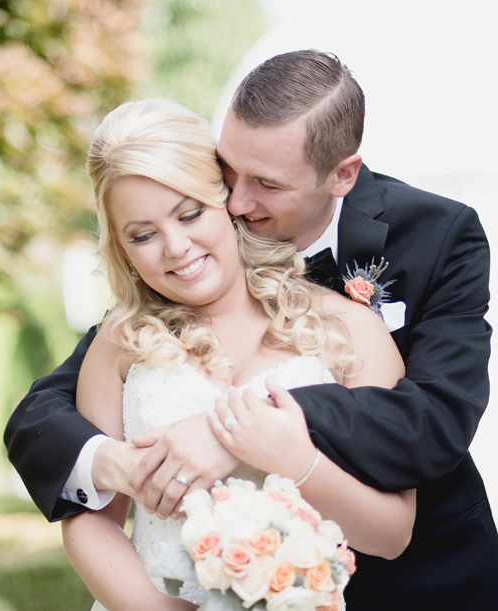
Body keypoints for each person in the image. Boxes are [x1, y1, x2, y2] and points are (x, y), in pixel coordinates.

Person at [5, 50, 498, 610]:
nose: (239, 202)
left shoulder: (423, 253)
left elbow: (435, 421)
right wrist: (109, 463)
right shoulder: (131, 331)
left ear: (342, 174)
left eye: (265, 185)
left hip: (420, 579)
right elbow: (53, 418)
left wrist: (248, 428)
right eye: (228, 175)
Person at [62, 97, 413, 610]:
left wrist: (294, 459)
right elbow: (90, 518)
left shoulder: (348, 330)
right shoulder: (119, 343)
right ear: (121, 249)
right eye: (142, 235)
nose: (176, 246)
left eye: (190, 213)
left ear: (227, 198)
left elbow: (392, 533)